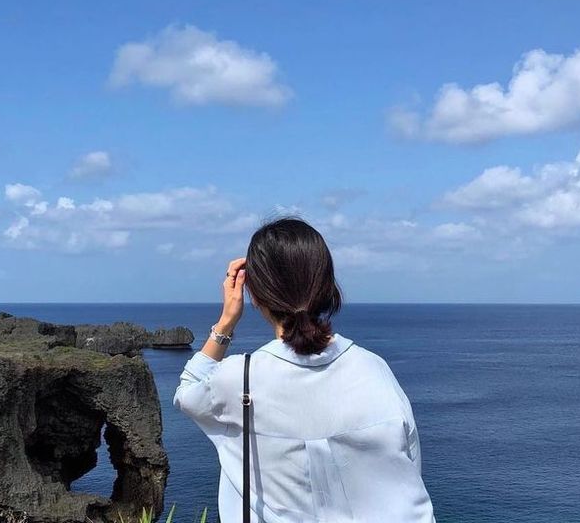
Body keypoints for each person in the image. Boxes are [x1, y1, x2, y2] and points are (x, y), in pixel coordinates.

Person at [173, 216, 435, 523]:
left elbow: (187, 389)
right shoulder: (374, 369)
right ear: (327, 287)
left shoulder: (239, 380)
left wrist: (227, 321)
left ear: (255, 295)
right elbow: (409, 467)